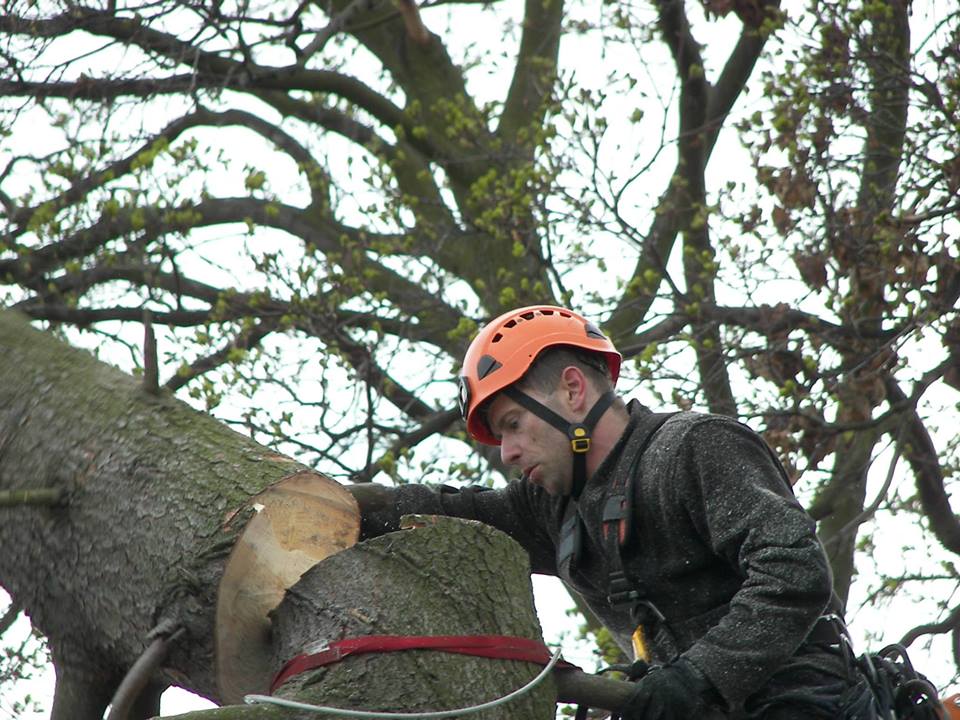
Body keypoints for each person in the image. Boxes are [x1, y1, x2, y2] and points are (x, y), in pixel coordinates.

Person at [347, 305, 866, 719]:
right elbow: (445, 515)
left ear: (573, 390)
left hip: (810, 704)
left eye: (513, 424)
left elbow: (794, 571)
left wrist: (700, 675)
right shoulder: (553, 509)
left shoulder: (695, 448)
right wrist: (341, 504)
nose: (506, 453)